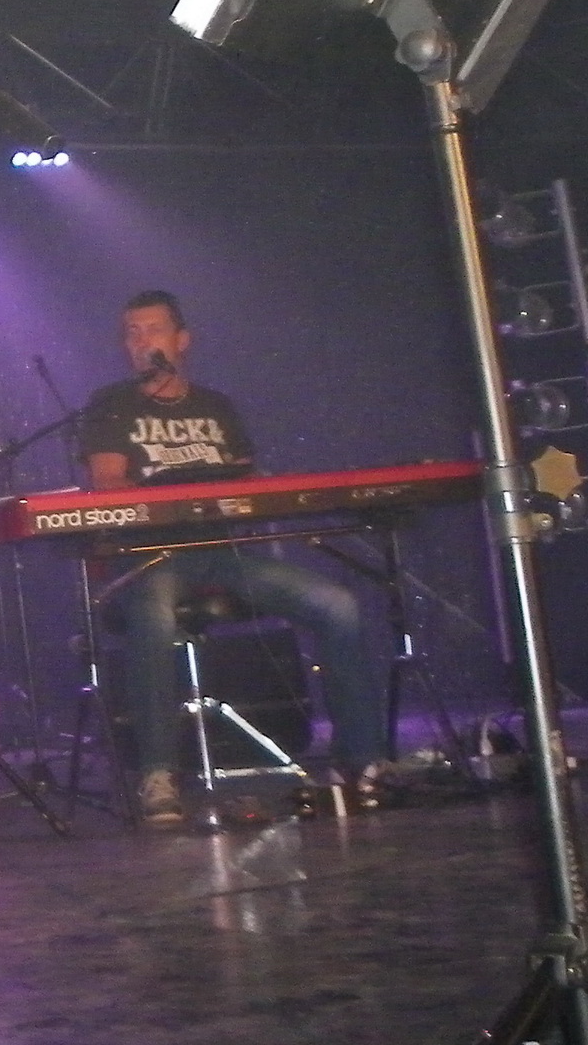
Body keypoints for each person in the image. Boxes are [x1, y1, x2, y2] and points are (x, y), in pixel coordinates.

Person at [84, 290, 390, 826]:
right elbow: (108, 484)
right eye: (132, 332)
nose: (142, 341)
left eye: (153, 329)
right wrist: (173, 495)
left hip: (223, 553)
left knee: (337, 604)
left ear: (182, 340)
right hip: (153, 556)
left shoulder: (216, 406)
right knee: (152, 615)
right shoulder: (112, 405)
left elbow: (247, 481)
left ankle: (364, 760)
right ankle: (158, 774)